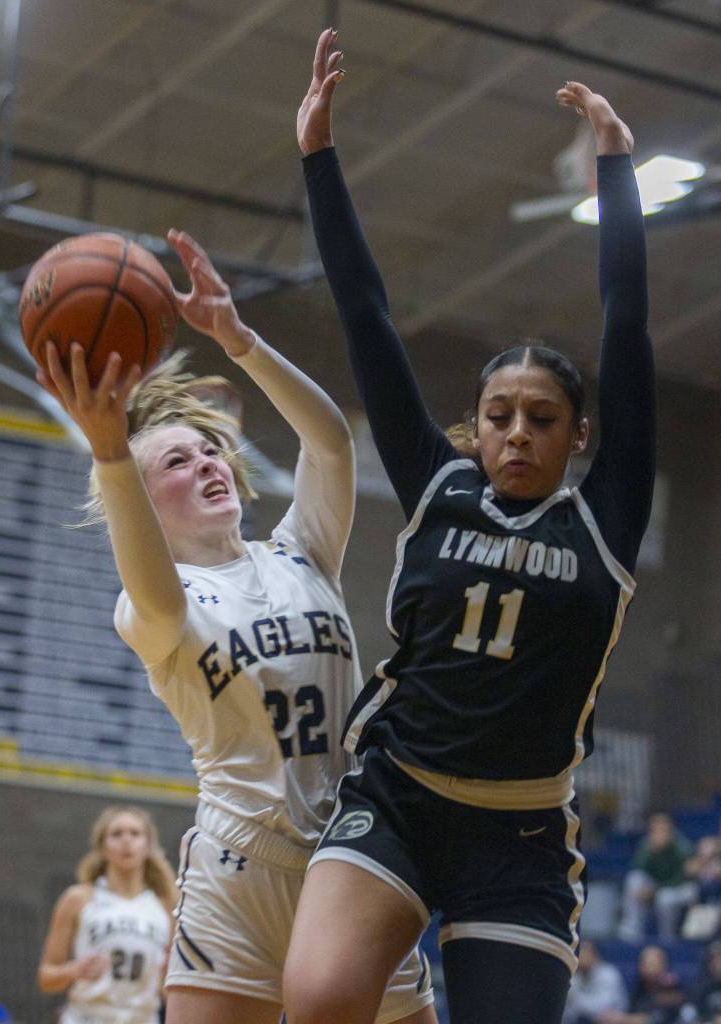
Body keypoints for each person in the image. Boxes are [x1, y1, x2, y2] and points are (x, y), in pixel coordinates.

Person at [284, 28, 655, 1024]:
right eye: (499, 416)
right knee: (318, 999)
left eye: (542, 418)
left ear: (579, 435)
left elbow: (627, 327)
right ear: (475, 426)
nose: (518, 435)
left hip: (520, 838)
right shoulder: (440, 488)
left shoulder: (606, 517)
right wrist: (317, 158)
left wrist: (616, 173)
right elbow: (363, 318)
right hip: (396, 795)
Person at [35, 228, 435, 1024]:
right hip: (237, 869)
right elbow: (150, 591)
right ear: (144, 506)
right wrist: (112, 452)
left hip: (351, 859)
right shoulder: (156, 603)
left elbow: (329, 443)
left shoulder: (301, 553)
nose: (209, 464)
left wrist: (240, 339)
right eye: (176, 464)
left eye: (211, 450)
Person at [38, 805, 177, 1024]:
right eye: (116, 834)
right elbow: (46, 978)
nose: (126, 840)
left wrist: (170, 979)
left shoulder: (166, 907)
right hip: (86, 1017)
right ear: (102, 847)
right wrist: (73, 970)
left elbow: (167, 992)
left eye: (135, 833)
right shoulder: (78, 899)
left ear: (148, 846)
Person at [619, 813, 696, 942]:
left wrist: (655, 890)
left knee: (665, 899)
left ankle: (667, 938)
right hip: (658, 886)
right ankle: (631, 930)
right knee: (633, 879)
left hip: (680, 888)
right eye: (655, 830)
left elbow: (682, 877)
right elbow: (638, 868)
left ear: (671, 831)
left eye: (663, 830)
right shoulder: (647, 845)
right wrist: (652, 852)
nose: (659, 834)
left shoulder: (681, 846)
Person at [563, 940, 629, 1024]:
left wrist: (574, 998)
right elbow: (569, 1012)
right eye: (579, 954)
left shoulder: (608, 974)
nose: (581, 957)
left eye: (585, 953)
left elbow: (601, 1008)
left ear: (595, 956)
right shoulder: (576, 975)